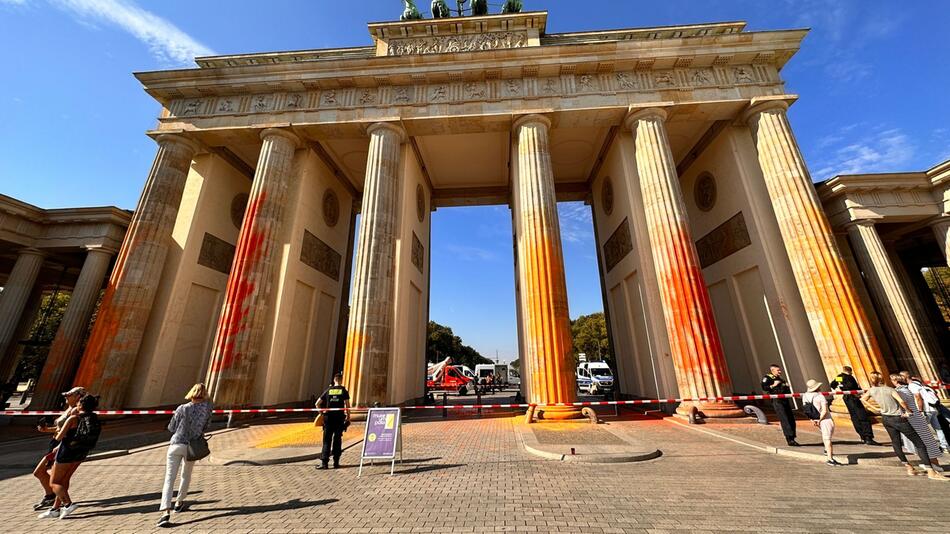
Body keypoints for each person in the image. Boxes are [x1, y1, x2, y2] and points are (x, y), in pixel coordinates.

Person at [861, 372, 947, 481]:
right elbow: (901, 401)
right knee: (920, 443)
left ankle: (909, 467)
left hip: (886, 418)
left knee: (896, 442)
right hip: (899, 418)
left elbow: (862, 399)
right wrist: (908, 410)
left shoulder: (872, 390)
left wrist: (876, 409)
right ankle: (931, 470)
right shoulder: (891, 390)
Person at [158, 383, 213, 527]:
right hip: (192, 446)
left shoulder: (182, 408)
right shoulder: (207, 409)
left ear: (191, 393)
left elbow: (172, 427)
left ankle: (165, 512)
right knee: (186, 474)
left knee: (169, 478)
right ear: (204, 394)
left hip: (176, 444)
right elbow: (207, 426)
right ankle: (179, 502)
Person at [38, 394, 101, 519]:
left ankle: (68, 505)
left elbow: (59, 437)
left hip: (66, 452)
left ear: (80, 405)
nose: (76, 405)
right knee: (64, 480)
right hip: (81, 452)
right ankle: (55, 509)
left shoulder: (73, 418)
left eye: (78, 403)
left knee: (54, 482)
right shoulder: (92, 418)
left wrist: (52, 433)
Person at [32, 386, 85, 511]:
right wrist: (46, 429)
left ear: (78, 396)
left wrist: (60, 445)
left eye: (69, 394)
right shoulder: (69, 409)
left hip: (61, 445)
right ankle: (53, 498)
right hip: (56, 442)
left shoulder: (75, 412)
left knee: (41, 472)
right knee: (50, 475)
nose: (66, 396)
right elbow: (61, 428)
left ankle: (57, 500)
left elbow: (71, 432)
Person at [892, 373, 944, 471]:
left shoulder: (901, 391)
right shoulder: (907, 388)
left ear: (896, 381)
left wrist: (907, 412)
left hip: (912, 417)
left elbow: (905, 403)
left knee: (921, 441)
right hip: (917, 416)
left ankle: (932, 463)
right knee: (927, 439)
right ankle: (934, 463)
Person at [829, 366, 878, 445]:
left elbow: (833, 384)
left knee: (854, 416)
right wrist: (858, 391)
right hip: (853, 397)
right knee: (862, 416)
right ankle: (868, 437)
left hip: (846, 397)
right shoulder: (849, 377)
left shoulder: (840, 377)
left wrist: (840, 388)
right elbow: (852, 386)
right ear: (849, 371)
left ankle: (862, 436)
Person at [902, 372, 949, 453]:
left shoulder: (911, 386)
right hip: (933, 408)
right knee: (938, 428)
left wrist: (920, 410)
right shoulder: (918, 383)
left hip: (926, 409)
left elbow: (918, 397)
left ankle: (928, 447)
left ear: (905, 377)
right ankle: (944, 446)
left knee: (921, 429)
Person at [802, 380, 841, 466]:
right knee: (827, 438)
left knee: (826, 435)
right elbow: (824, 411)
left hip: (815, 418)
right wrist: (820, 419)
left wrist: (813, 420)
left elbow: (806, 409)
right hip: (825, 419)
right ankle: (830, 458)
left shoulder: (805, 396)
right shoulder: (820, 396)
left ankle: (827, 450)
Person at [316, 372, 350, 470]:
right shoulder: (344, 391)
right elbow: (347, 406)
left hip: (328, 418)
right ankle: (336, 462)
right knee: (337, 439)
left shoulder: (328, 390)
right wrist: (348, 417)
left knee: (327, 440)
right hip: (339, 418)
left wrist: (321, 414)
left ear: (334, 380)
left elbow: (317, 403)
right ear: (341, 380)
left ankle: (324, 463)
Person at [761, 364, 799, 446]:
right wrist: (773, 385)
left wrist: (786, 386)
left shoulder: (780, 379)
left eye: (779, 370)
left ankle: (792, 436)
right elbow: (764, 387)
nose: (780, 372)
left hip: (785, 400)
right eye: (778, 370)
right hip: (777, 401)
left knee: (790, 418)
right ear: (772, 370)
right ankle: (789, 439)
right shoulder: (767, 378)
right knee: (784, 419)